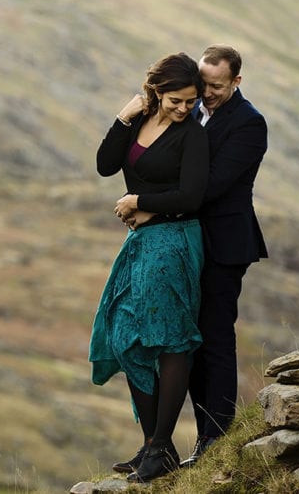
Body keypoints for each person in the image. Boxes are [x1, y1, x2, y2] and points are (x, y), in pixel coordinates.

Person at [89, 52, 208, 483]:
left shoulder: (192, 136)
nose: (184, 109)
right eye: (175, 100)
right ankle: (155, 446)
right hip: (141, 244)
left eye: (190, 101)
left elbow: (192, 195)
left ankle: (159, 448)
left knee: (169, 339)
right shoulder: (139, 122)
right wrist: (124, 117)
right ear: (156, 93)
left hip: (174, 241)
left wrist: (140, 203)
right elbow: (105, 165)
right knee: (124, 334)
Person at [179, 44, 268, 467]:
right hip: (190, 242)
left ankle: (217, 435)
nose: (207, 93)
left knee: (215, 337)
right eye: (203, 83)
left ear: (236, 81)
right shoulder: (191, 109)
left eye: (216, 86)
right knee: (192, 340)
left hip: (226, 244)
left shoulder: (250, 124)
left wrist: (149, 201)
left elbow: (211, 185)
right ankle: (201, 438)